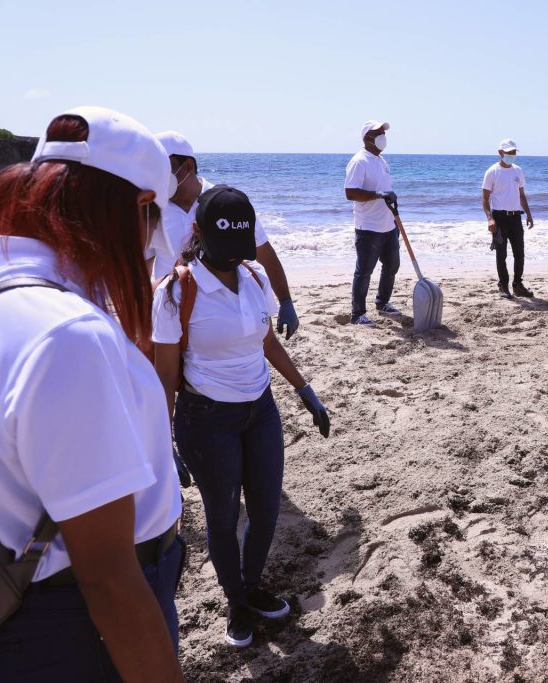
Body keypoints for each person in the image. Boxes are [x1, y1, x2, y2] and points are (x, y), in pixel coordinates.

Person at [0, 106, 184, 680]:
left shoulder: (9, 292)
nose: (152, 246)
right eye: (153, 224)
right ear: (139, 208)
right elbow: (108, 578)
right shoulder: (66, 334)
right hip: (72, 622)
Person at [152, 185, 330, 648]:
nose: (232, 257)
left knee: (267, 511)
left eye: (239, 246)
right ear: (198, 233)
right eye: (223, 246)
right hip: (206, 418)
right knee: (223, 516)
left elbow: (266, 341)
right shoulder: (175, 292)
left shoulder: (253, 275)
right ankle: (235, 601)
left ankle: (251, 585)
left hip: (261, 409)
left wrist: (304, 389)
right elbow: (166, 375)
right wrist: (163, 440)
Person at [146, 131, 301, 339]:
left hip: (218, 317)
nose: (157, 177)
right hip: (168, 314)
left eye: (164, 169)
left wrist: (285, 301)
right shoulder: (153, 209)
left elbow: (263, 252)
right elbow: (141, 267)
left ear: (188, 167)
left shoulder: (223, 203)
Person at [344, 120, 401, 326]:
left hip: (388, 225)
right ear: (367, 137)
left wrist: (395, 222)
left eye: (383, 133)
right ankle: (357, 314)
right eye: (378, 133)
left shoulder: (381, 161)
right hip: (368, 227)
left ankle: (382, 302)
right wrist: (378, 194)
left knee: (392, 265)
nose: (382, 137)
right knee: (364, 272)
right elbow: (350, 192)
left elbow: (387, 192)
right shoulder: (359, 161)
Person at [482, 139, 535, 299]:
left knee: (520, 253)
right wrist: (490, 219)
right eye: (509, 152)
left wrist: (528, 214)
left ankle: (518, 285)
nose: (512, 155)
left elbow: (521, 194)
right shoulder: (492, 172)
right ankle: (503, 286)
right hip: (499, 218)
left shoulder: (518, 171)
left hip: (515, 217)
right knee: (501, 254)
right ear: (501, 153)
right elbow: (485, 198)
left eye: (514, 152)